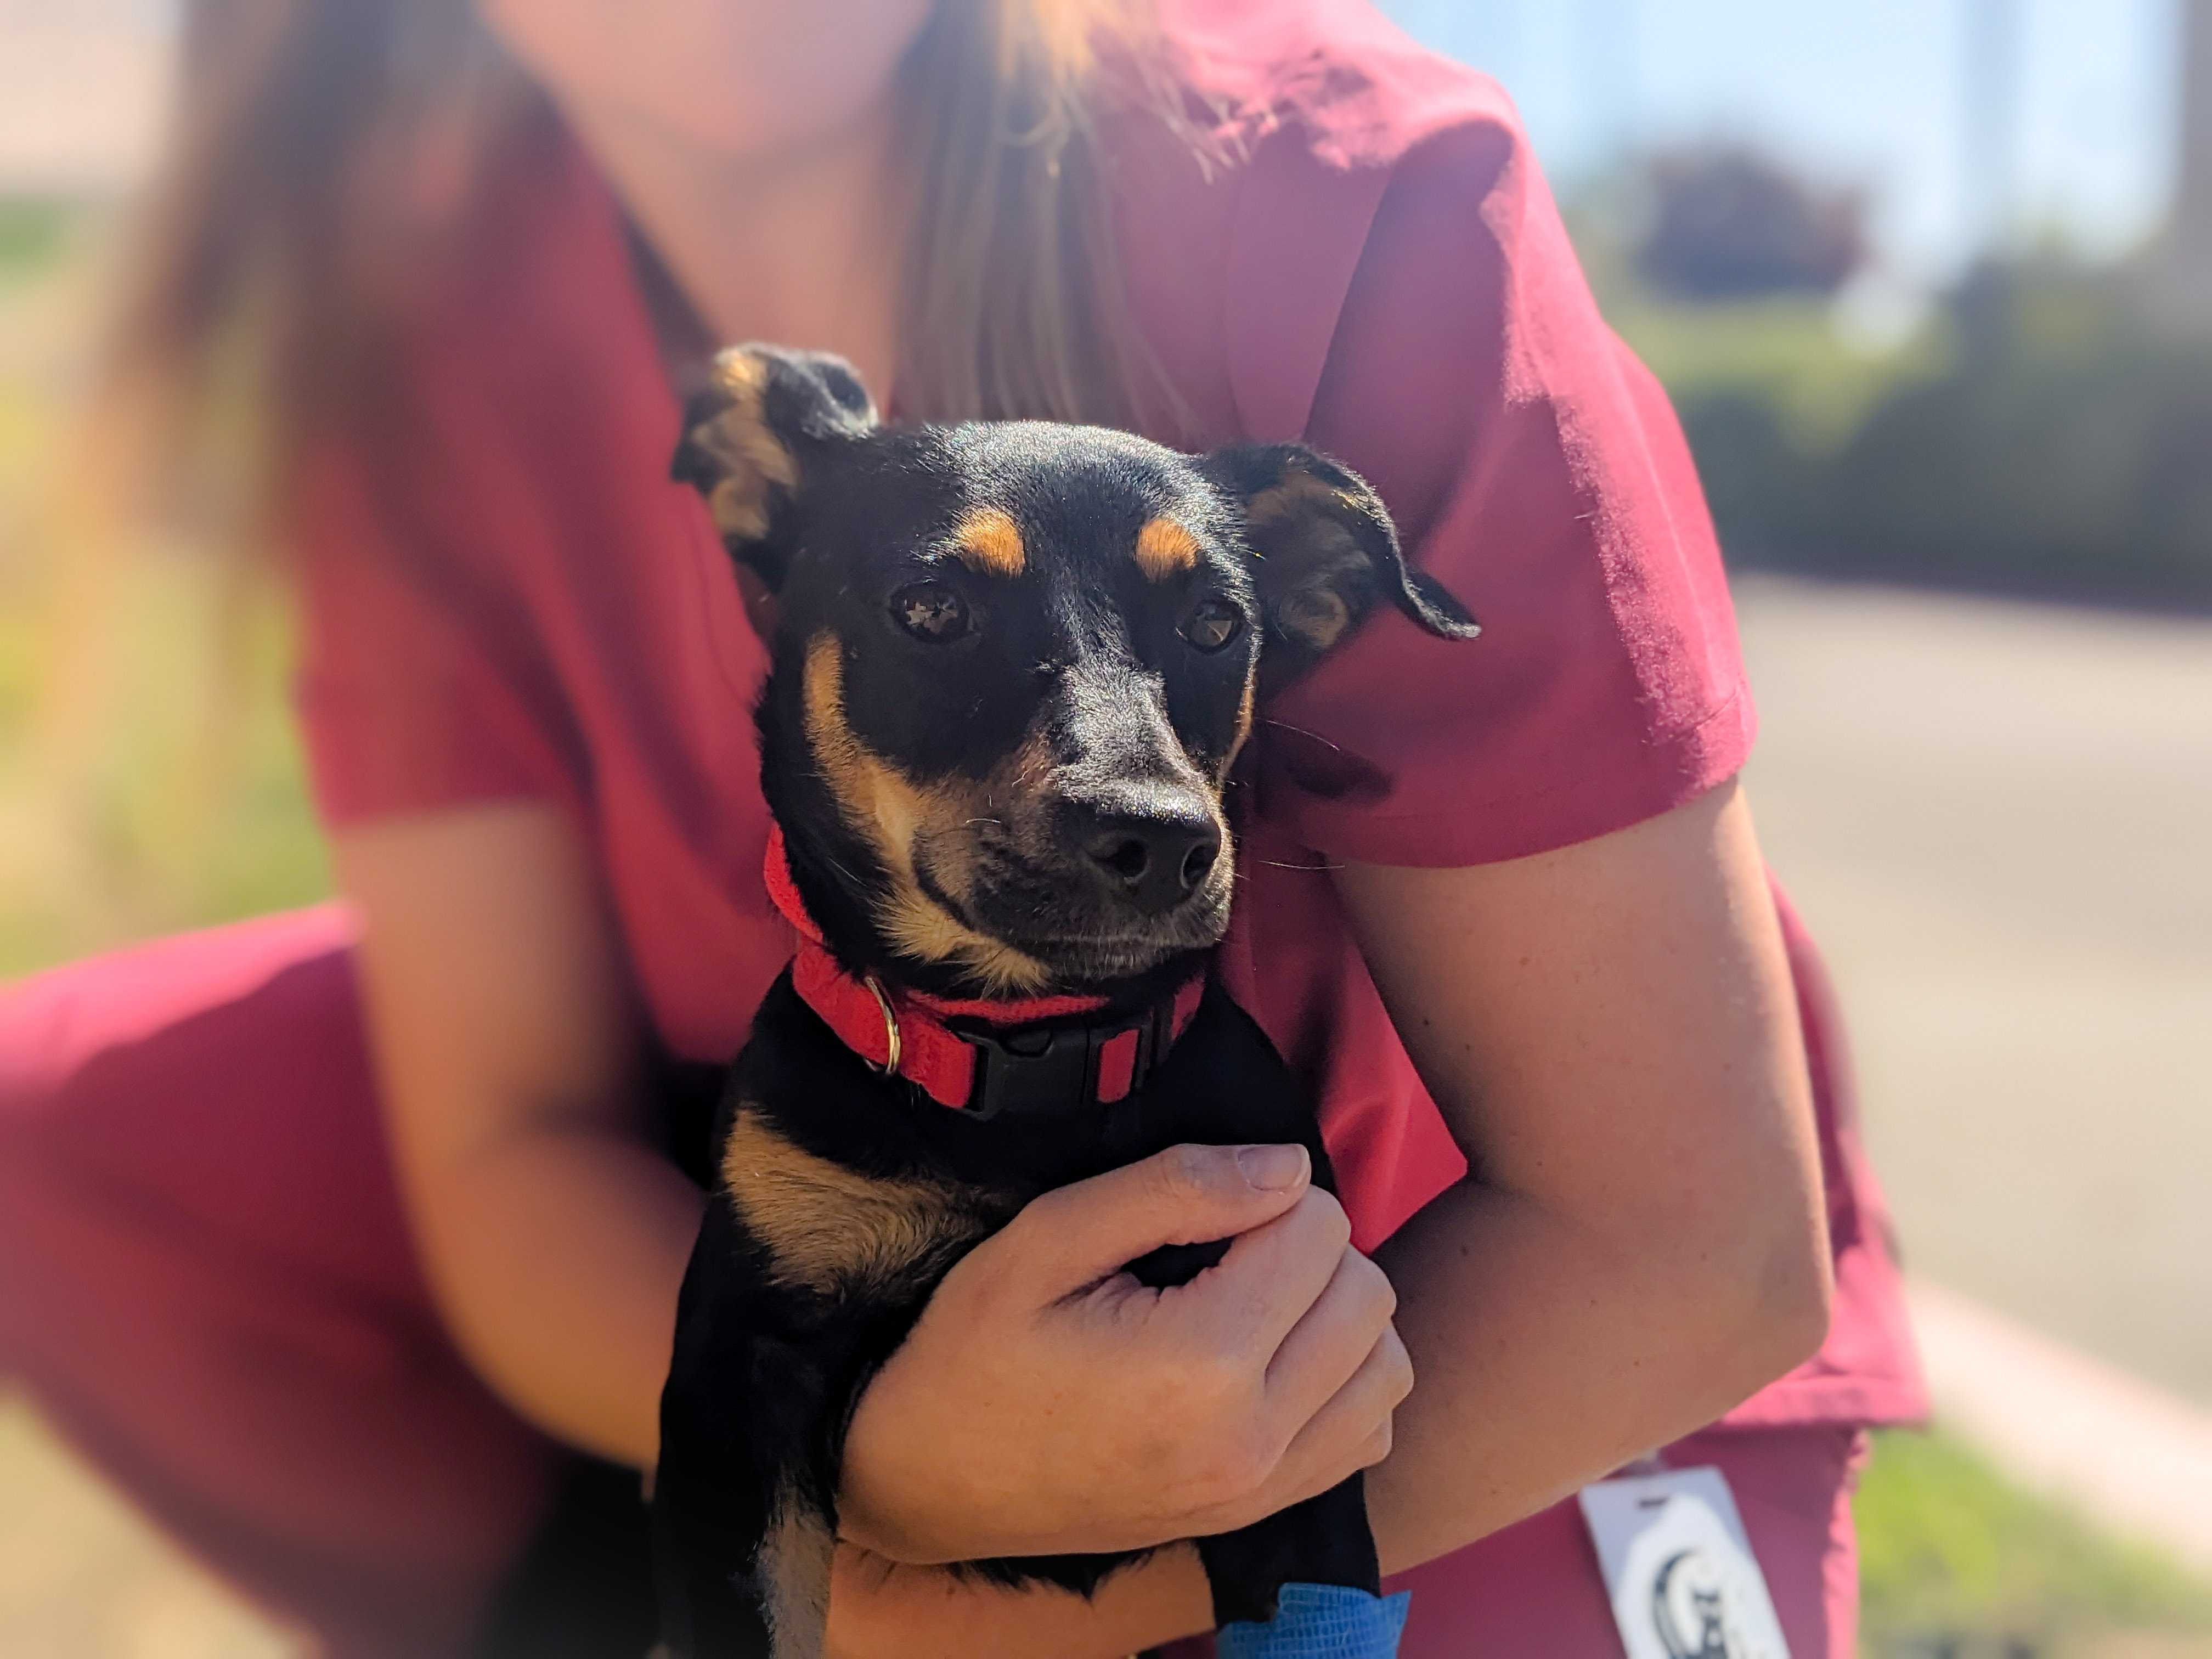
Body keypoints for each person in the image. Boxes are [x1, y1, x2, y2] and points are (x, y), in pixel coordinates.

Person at [0, 1, 1927, 1655]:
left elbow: (1688, 1251)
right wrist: (869, 1482)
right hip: (837, 1204)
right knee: (61, 1133)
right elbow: (509, 1141)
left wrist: (998, 1603)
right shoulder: (433, 358)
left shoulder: (1345, 202)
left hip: (1506, 1358)